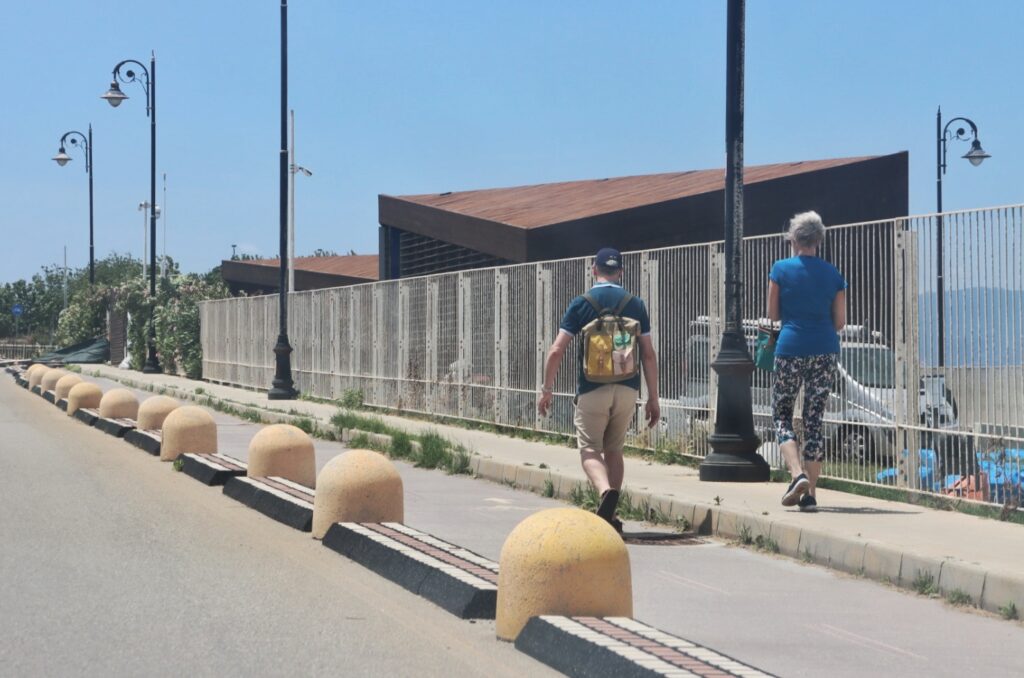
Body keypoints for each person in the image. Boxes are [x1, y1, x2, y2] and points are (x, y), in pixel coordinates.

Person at [537, 247, 660, 531]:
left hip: (592, 389)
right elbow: (649, 354)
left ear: (594, 270)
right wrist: (653, 398)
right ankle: (612, 517)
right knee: (614, 450)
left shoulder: (581, 303)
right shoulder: (636, 304)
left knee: (590, 450)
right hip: (627, 388)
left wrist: (547, 389)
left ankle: (605, 491)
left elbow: (556, 350)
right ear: (621, 272)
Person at [768, 211, 847, 512]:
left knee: (782, 415)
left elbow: (773, 315)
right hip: (825, 349)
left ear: (793, 238)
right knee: (814, 419)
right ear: (819, 240)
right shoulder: (833, 274)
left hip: (790, 348)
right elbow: (840, 322)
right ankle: (810, 494)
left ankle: (796, 474)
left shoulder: (780, 269)